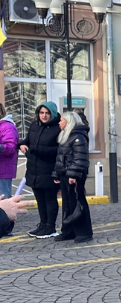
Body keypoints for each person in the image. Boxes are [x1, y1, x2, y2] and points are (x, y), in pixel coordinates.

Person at [18, 102, 60, 238]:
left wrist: (38, 150)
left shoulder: (58, 128)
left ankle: (50, 227)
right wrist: (22, 145)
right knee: (40, 200)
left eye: (47, 113)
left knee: (49, 199)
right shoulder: (35, 125)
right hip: (34, 170)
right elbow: (28, 140)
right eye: (42, 113)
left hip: (49, 170)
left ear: (52, 114)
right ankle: (42, 225)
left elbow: (58, 150)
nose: (44, 115)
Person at [54, 111, 93, 244]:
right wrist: (57, 174)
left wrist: (73, 175)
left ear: (69, 122)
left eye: (62, 120)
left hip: (74, 176)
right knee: (67, 204)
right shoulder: (66, 135)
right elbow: (60, 158)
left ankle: (84, 232)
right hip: (65, 174)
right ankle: (68, 231)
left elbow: (80, 158)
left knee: (78, 202)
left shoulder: (78, 137)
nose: (59, 122)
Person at [0, 104, 17, 198]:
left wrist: (1, 147)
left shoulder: (7, 126)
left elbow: (11, 147)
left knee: (4, 202)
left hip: (2, 171)